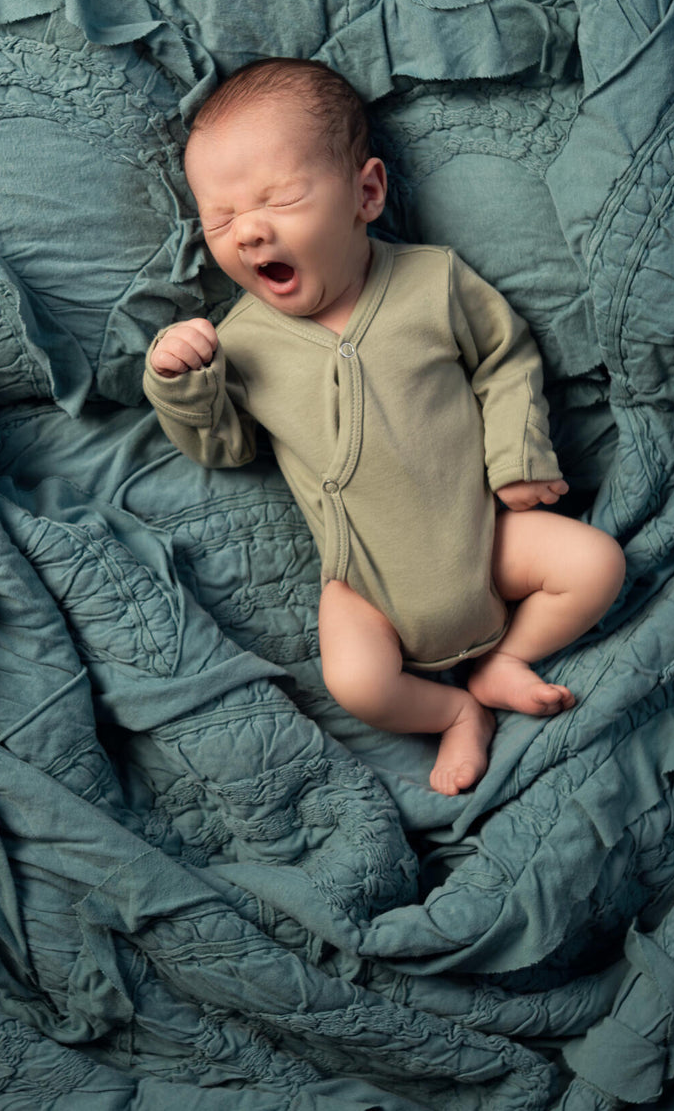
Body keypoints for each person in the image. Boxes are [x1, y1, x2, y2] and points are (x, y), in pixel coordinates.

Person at [143, 58, 625, 795]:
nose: (250, 231)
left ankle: (504, 661)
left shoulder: (433, 282)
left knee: (596, 565)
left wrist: (517, 456)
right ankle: (456, 712)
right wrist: (179, 383)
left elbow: (504, 358)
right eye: (222, 218)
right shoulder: (239, 343)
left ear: (366, 193)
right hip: (365, 584)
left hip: (484, 536)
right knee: (358, 682)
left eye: (279, 198)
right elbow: (227, 446)